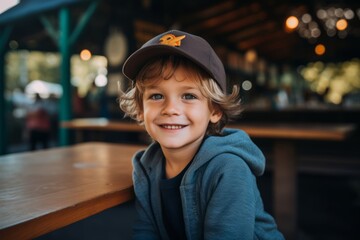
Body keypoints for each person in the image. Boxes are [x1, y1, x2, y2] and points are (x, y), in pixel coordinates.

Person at [119, 30, 284, 239]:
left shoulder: (229, 168)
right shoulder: (145, 166)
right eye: (157, 95)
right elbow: (146, 231)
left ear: (214, 110)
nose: (171, 108)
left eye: (188, 96)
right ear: (141, 110)